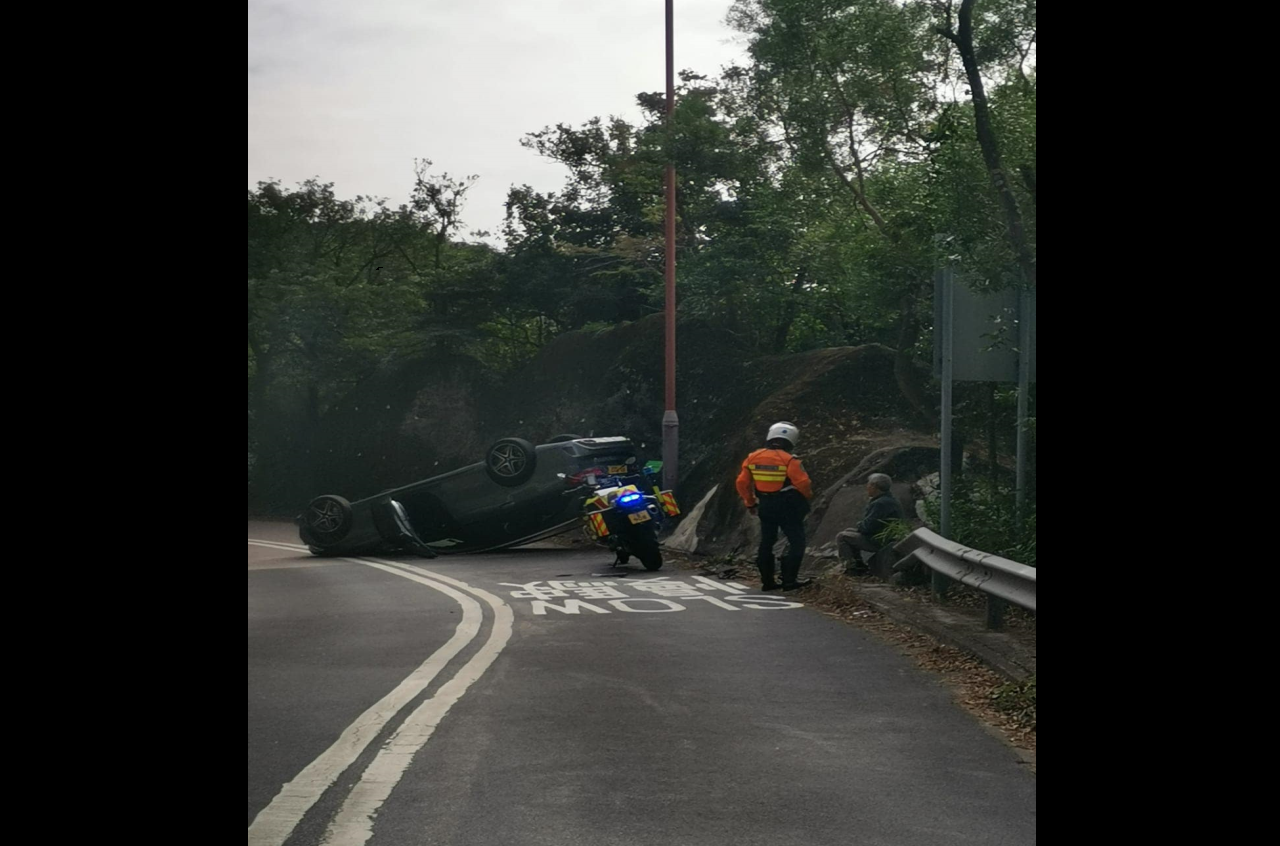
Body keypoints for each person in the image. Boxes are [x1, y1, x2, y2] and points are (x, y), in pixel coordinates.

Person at [736, 422, 815, 591]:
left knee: (767, 542)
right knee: (797, 541)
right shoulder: (789, 460)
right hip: (788, 506)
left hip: (765, 505)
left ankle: (767, 581)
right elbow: (803, 483)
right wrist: (807, 497)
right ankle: (789, 580)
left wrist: (750, 502)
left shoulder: (752, 457)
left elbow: (742, 483)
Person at [837, 473, 905, 575]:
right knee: (849, 531)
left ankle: (852, 568)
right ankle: (858, 565)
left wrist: (859, 524)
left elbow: (867, 527)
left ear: (874, 486)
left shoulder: (880, 504)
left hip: (880, 540)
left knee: (842, 537)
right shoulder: (890, 500)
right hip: (887, 536)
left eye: (868, 484)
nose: (867, 487)